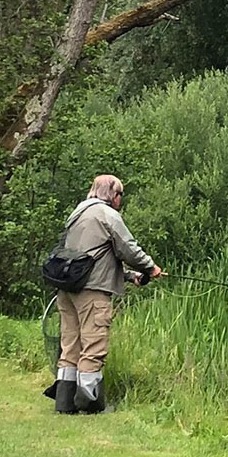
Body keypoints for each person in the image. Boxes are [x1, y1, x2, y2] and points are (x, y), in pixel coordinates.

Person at [45, 174, 164, 414]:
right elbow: (128, 248)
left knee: (70, 346)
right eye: (120, 194)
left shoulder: (78, 213)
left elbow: (93, 258)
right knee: (94, 345)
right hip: (92, 293)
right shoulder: (107, 214)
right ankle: (90, 404)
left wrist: (130, 276)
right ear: (113, 195)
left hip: (68, 289)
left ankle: (65, 402)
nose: (121, 200)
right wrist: (151, 267)